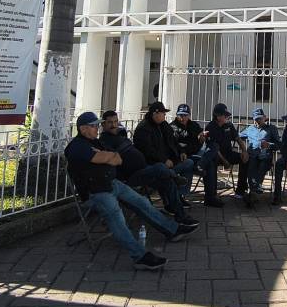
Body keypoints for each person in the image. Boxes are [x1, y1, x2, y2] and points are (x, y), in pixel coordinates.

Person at [65, 112, 198, 270]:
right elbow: (102, 158)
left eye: (96, 125)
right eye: (93, 126)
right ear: (83, 129)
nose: (96, 128)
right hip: (96, 192)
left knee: (142, 202)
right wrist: (107, 157)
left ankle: (173, 230)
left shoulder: (96, 143)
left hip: (112, 183)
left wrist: (107, 156)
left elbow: (117, 159)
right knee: (118, 220)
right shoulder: (77, 146)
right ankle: (140, 256)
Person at [98, 110, 198, 226]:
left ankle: (181, 216)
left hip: (143, 170)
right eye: (110, 123)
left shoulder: (120, 135)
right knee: (160, 167)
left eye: (116, 121)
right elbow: (114, 159)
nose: (114, 125)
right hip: (130, 176)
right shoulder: (105, 140)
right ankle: (174, 176)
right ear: (103, 125)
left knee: (167, 180)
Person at [133, 102, 196, 207]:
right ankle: (170, 202)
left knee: (189, 163)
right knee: (164, 172)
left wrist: (181, 151)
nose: (165, 115)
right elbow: (147, 150)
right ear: (155, 114)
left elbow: (174, 141)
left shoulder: (164, 125)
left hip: (170, 161)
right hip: (154, 165)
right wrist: (164, 160)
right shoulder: (143, 129)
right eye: (163, 113)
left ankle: (180, 196)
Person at [205, 103, 250, 207]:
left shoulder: (228, 125)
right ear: (218, 116)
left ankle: (240, 191)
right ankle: (213, 194)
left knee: (246, 159)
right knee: (212, 163)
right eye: (225, 115)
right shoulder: (210, 127)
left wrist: (244, 151)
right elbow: (213, 148)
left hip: (228, 153)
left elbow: (238, 139)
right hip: (217, 156)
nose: (227, 117)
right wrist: (225, 161)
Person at [170, 104, 219, 199]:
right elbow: (175, 145)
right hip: (182, 156)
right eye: (181, 115)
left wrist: (202, 137)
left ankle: (210, 197)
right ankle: (182, 195)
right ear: (176, 115)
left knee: (214, 147)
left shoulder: (193, 125)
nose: (183, 118)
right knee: (193, 163)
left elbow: (201, 136)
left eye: (185, 115)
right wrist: (184, 149)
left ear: (189, 115)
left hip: (196, 153)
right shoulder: (172, 127)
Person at [239, 108, 281, 197]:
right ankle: (254, 189)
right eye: (256, 119)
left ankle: (254, 189)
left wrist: (269, 144)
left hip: (265, 156)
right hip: (252, 155)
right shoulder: (250, 129)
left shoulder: (271, 128)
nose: (258, 121)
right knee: (250, 164)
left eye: (260, 118)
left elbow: (279, 145)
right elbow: (237, 136)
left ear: (265, 118)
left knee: (262, 165)